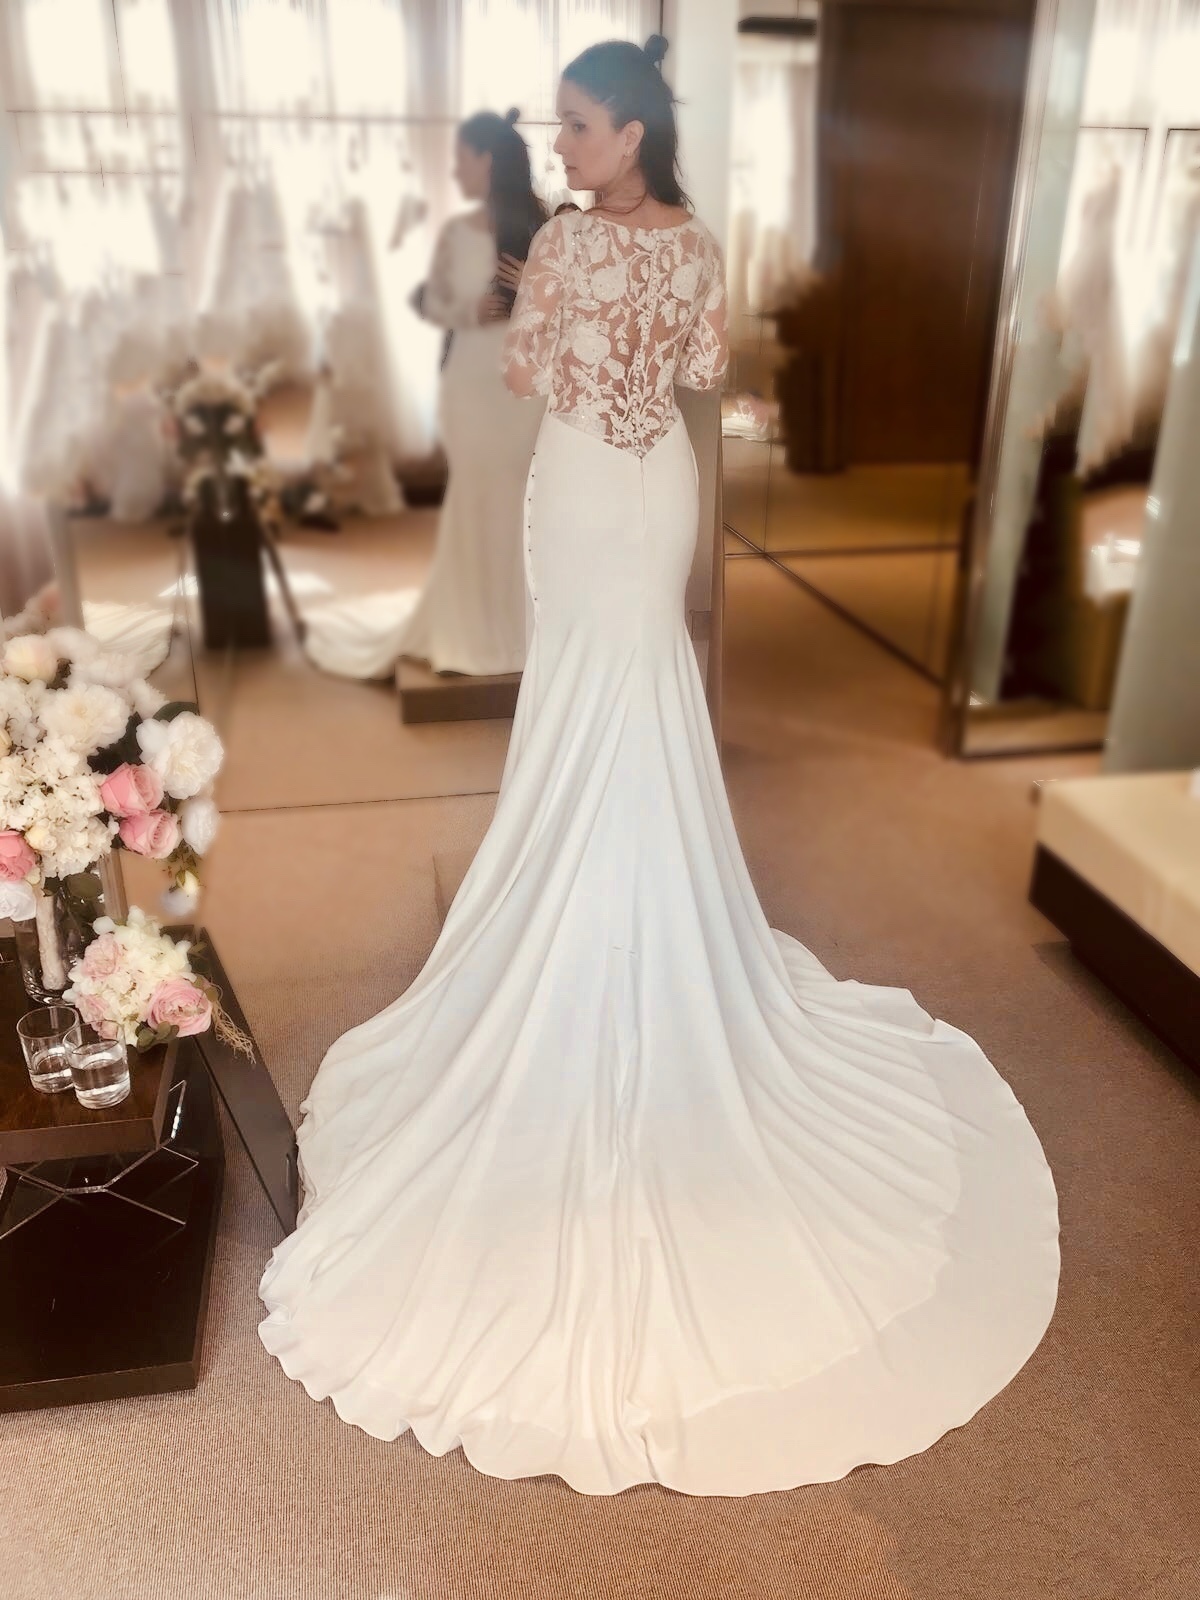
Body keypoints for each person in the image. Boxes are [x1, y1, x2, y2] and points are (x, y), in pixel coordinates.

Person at [258, 37, 1059, 1497]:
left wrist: (548, 295)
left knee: (588, 697)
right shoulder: (696, 242)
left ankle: (588, 920)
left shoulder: (568, 242)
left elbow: (533, 374)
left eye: (577, 126)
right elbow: (695, 376)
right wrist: (591, 313)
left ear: (631, 131)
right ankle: (646, 918)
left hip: (582, 489)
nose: (560, 147)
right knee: (640, 693)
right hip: (653, 492)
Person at [396, 109, 547, 678]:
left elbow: (575, 309)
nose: (456, 171)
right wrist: (470, 309)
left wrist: (528, 292)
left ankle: (520, 630)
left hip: (524, 386)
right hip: (468, 384)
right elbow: (433, 302)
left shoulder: (544, 228)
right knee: (474, 496)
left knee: (520, 502)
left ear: (486, 160)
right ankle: (469, 631)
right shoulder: (457, 233)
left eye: (461, 159)